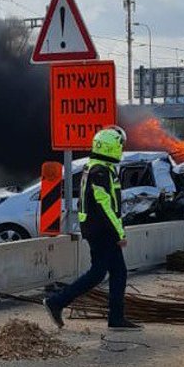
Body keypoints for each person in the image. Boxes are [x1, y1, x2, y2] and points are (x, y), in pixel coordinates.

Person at [45, 125, 142, 332]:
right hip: (102, 231)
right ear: (110, 147)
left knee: (118, 272)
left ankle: (116, 318)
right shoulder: (100, 171)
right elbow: (105, 206)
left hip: (98, 229)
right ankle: (57, 302)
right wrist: (119, 233)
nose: (122, 149)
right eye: (120, 145)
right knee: (98, 273)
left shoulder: (98, 167)